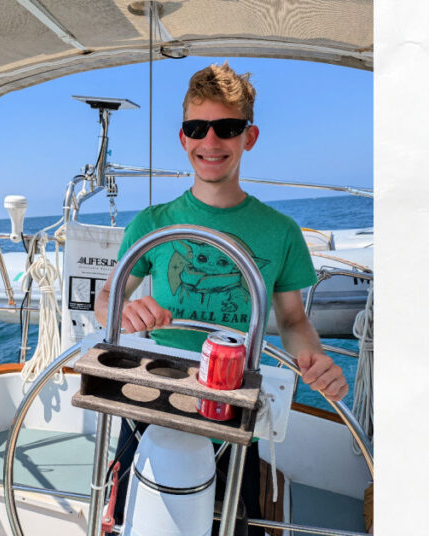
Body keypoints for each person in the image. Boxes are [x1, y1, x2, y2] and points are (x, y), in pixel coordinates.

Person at [93, 63, 347, 535]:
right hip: (153, 399)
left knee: (231, 524)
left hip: (232, 410)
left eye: (226, 128)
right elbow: (108, 295)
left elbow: (291, 319)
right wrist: (123, 310)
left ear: (248, 137)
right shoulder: (152, 223)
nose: (211, 142)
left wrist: (313, 356)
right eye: (197, 128)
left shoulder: (280, 232)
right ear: (183, 138)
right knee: (134, 521)